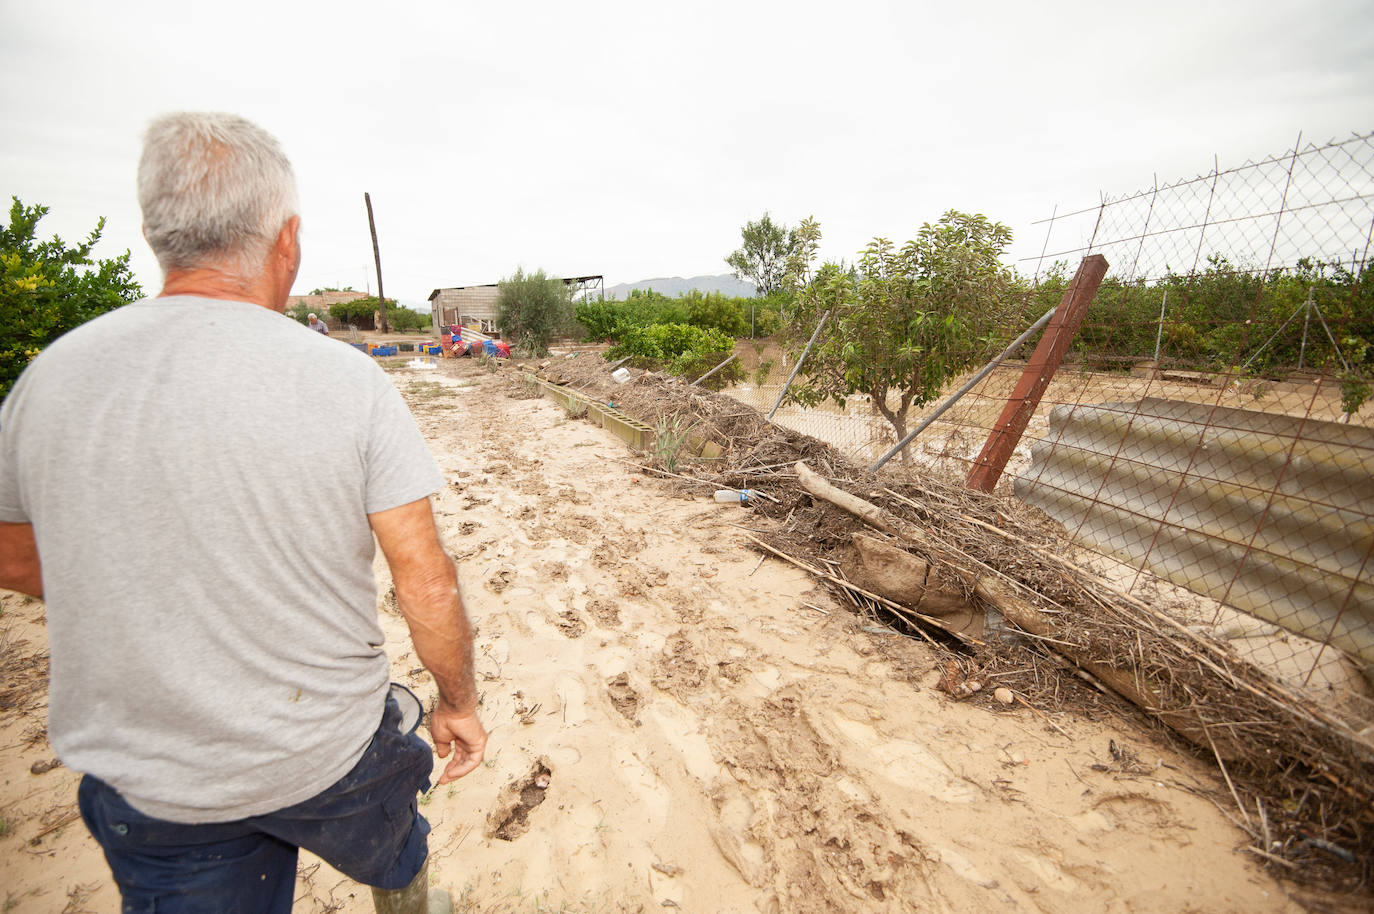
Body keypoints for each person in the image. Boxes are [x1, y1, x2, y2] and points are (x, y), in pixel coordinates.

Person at [0, 112, 487, 914]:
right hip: (327, 751)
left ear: (158, 235)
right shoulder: (346, 381)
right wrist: (459, 703)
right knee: (395, 847)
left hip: (157, 780)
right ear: (286, 240)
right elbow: (425, 583)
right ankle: (404, 887)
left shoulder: (52, 379)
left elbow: (16, 557)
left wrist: (151, 587)